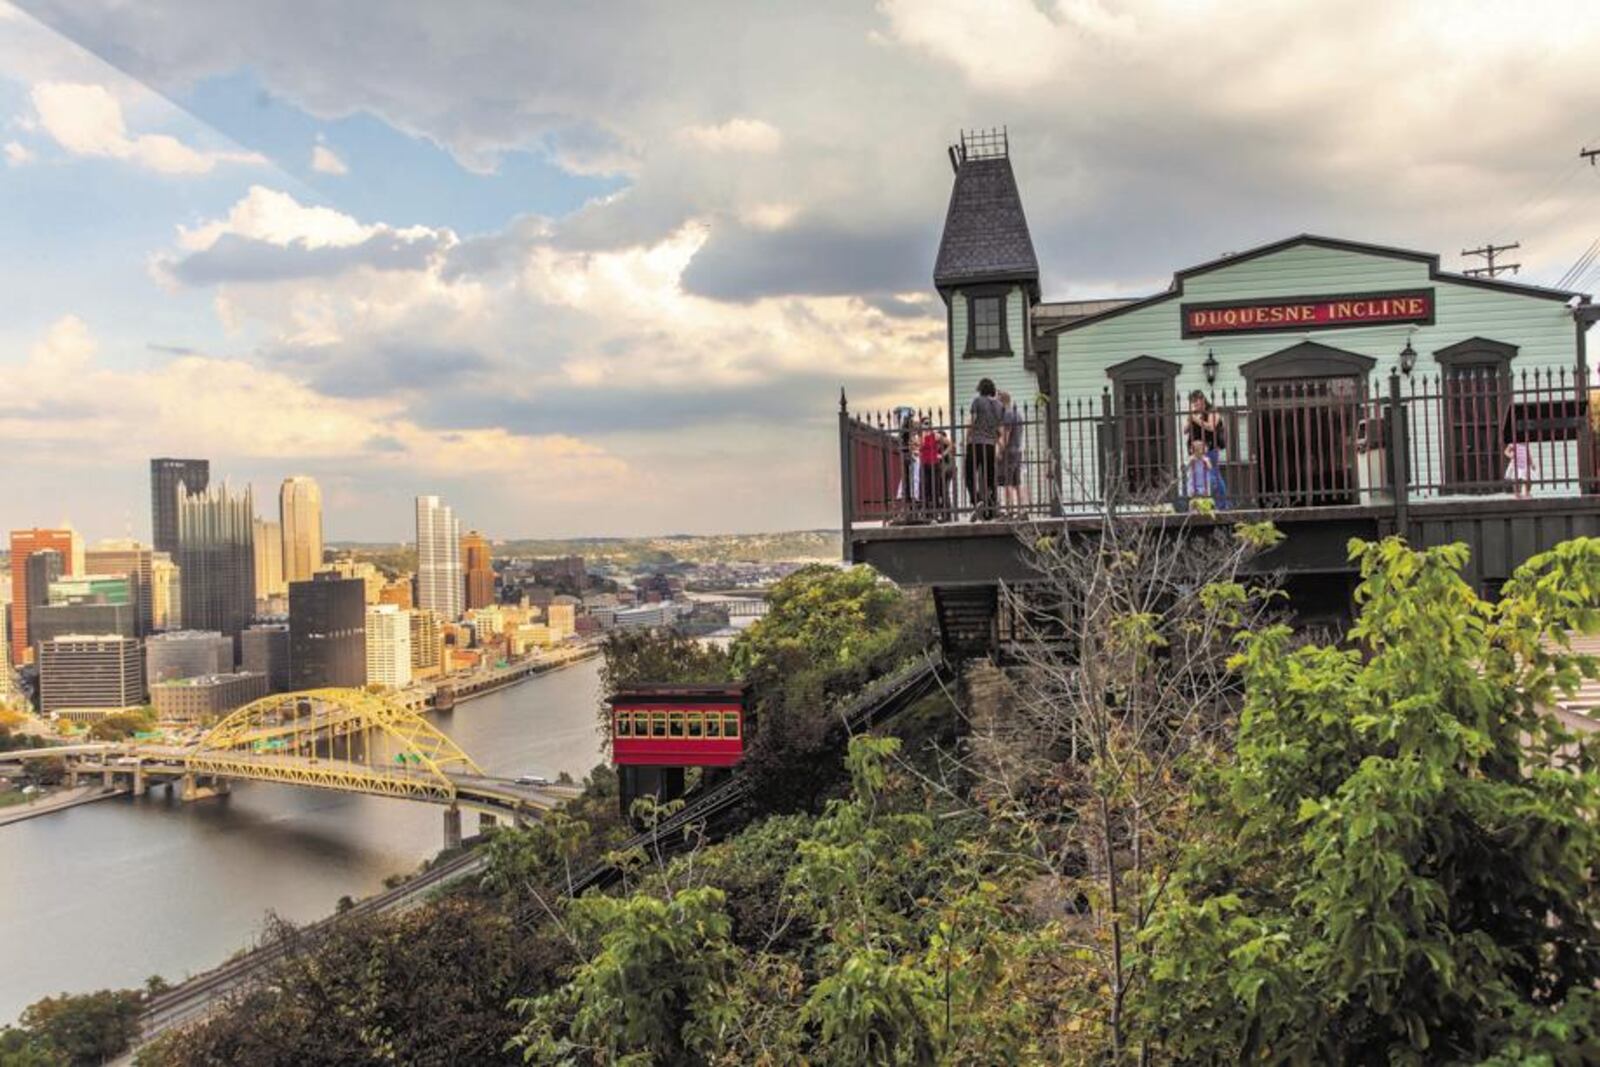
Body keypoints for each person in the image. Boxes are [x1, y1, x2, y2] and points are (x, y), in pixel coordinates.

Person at [966, 378, 1004, 520]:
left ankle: (977, 500)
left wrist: (967, 438)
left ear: (980, 388)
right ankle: (991, 507)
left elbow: (973, 421)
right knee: (989, 477)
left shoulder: (977, 401)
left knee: (970, 475)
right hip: (990, 445)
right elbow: (999, 429)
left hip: (975, 443)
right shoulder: (1000, 405)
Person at [1185, 391, 1230, 508]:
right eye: (1192, 402)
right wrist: (1189, 420)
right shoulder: (1194, 413)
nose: (1194, 404)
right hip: (1195, 452)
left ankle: (1221, 505)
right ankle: (1205, 504)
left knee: (1213, 475)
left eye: (1196, 401)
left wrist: (1196, 420)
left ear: (1202, 400)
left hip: (1210, 449)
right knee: (1197, 476)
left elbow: (1211, 427)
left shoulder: (1212, 411)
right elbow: (1185, 430)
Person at [997, 391, 1027, 517]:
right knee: (1017, 483)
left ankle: (1009, 511)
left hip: (1009, 452)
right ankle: (1022, 510)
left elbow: (1005, 437)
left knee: (1008, 483)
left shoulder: (1007, 415)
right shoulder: (1018, 414)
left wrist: (999, 449)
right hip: (1018, 450)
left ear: (1002, 402)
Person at [1185, 438, 1214, 503]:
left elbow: (1210, 468)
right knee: (1193, 499)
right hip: (1193, 482)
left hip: (1204, 483)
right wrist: (1191, 461)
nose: (1199, 454)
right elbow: (1186, 468)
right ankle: (1193, 510)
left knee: (1205, 499)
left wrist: (1206, 462)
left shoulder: (1206, 459)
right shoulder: (1191, 458)